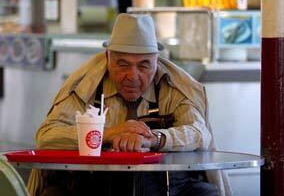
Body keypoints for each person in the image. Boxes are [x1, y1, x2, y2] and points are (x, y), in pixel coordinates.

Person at [28, 13, 232, 196]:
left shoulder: (174, 87)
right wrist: (107, 134)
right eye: (123, 64)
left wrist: (154, 139)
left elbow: (200, 133)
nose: (132, 76)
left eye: (144, 65)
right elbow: (46, 136)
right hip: (93, 185)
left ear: (156, 62)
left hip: (167, 186)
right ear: (108, 59)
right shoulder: (86, 87)